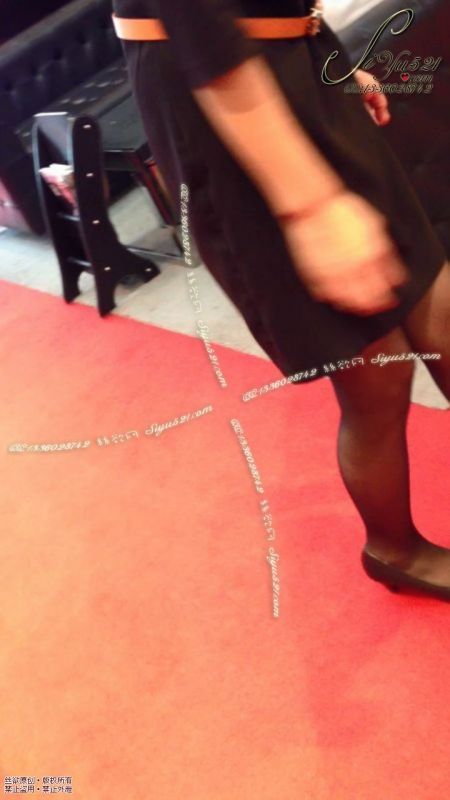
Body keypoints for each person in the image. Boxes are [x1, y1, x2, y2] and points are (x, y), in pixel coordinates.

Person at [111, 0, 450, 600]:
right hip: (224, 107)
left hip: (291, 62)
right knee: (376, 372)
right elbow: (200, 26)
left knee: (438, 308)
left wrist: (325, 55)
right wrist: (311, 207)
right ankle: (395, 550)